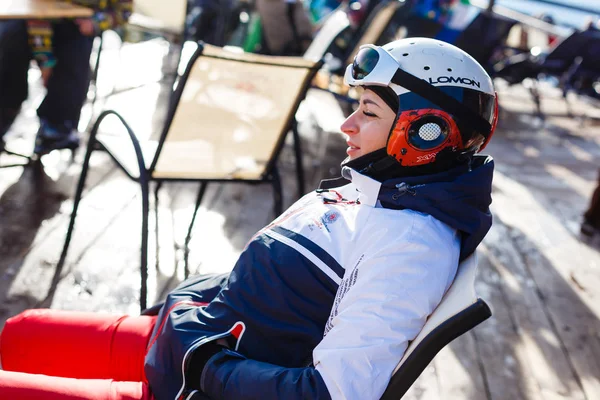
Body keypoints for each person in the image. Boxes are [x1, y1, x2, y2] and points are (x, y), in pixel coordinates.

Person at [0, 37, 498, 399]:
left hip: (193, 379)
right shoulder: (379, 191)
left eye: (367, 111)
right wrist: (192, 301)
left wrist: (204, 366)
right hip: (192, 339)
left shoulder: (410, 244)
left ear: (427, 133)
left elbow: (332, 394)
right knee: (19, 332)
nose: (346, 125)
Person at [0, 0, 132, 156]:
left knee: (76, 48)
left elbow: (123, 11)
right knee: (8, 38)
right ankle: (5, 111)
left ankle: (57, 127)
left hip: (77, 26)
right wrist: (45, 59)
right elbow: (35, 13)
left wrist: (96, 22)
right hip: (34, 22)